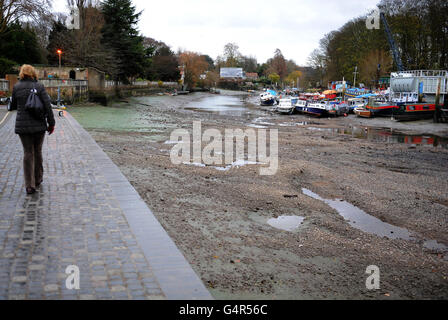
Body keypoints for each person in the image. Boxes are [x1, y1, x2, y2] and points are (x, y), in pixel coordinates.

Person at [9, 64, 55, 195]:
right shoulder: (39, 86)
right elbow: (48, 106)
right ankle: (38, 178)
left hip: (23, 127)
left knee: (28, 153)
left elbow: (12, 106)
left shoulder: (17, 87)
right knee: (38, 151)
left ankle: (29, 185)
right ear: (33, 73)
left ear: (22, 73)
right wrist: (51, 123)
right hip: (39, 125)